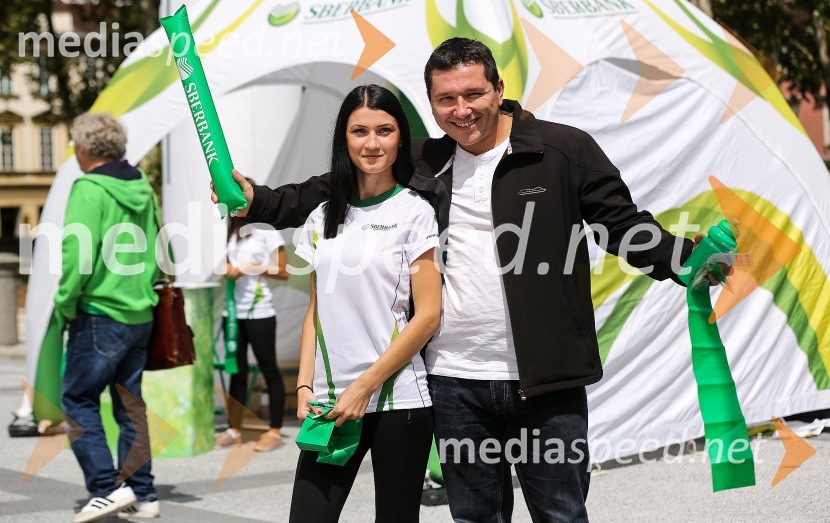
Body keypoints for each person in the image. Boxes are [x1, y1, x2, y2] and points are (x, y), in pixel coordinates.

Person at [213, 39, 723, 522]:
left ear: (499, 89)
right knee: (476, 516)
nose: (462, 110)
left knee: (561, 514)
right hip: (455, 382)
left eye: (473, 94)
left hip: (545, 382)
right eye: (445, 100)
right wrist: (255, 200)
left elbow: (623, 226)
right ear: (431, 104)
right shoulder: (423, 161)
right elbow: (333, 186)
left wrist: (685, 260)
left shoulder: (562, 151)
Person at [287, 84, 441, 522]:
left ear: (399, 138)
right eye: (359, 131)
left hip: (398, 400)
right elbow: (315, 311)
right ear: (344, 138)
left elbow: (428, 314)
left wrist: (364, 387)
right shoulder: (321, 216)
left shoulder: (416, 212)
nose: (372, 143)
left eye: (384, 130)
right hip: (331, 401)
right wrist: (303, 385)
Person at [57, 113, 160, 522]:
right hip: (140, 313)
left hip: (99, 311)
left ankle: (106, 488)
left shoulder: (88, 187)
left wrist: (66, 303)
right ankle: (144, 494)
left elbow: (77, 253)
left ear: (84, 149)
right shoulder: (141, 185)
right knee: (129, 405)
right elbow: (156, 246)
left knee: (78, 399)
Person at [215, 185, 289, 452]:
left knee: (269, 369)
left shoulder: (267, 229)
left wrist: (249, 268)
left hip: (260, 312)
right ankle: (234, 428)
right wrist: (227, 268)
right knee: (237, 371)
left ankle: (275, 430)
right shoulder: (232, 229)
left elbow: (283, 271)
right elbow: (228, 263)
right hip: (233, 312)